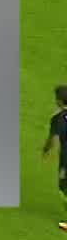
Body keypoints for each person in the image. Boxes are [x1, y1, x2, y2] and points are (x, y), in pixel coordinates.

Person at [44, 84, 67, 231]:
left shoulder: (58, 118)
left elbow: (53, 138)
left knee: (63, 187)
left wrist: (46, 150)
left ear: (59, 100)